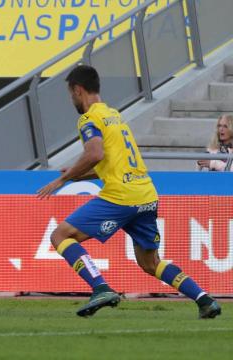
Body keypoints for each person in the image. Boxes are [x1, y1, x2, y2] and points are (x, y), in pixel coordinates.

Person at [37, 65, 221, 319]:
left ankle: (100, 288)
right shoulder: (114, 115)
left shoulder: (89, 119)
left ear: (78, 91)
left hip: (121, 196)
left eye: (71, 95)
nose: (73, 101)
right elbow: (109, 162)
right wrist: (78, 173)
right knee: (150, 262)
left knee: (60, 235)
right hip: (145, 194)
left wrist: (64, 179)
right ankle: (204, 300)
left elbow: (94, 153)